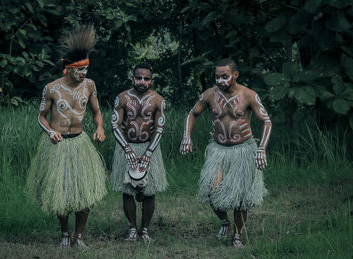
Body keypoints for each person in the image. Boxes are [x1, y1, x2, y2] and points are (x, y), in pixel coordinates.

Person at [27, 26, 107, 248]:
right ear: (69, 68)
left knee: (84, 191)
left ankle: (79, 236)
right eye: (80, 71)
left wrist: (99, 128)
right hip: (58, 144)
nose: (84, 74)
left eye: (87, 70)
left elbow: (97, 112)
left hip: (80, 143)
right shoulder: (51, 88)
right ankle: (65, 234)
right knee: (60, 192)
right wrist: (51, 131)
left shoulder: (89, 86)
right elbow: (41, 116)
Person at [179, 58, 272, 248]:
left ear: (235, 75)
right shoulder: (210, 94)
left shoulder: (249, 95)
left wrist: (261, 148)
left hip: (243, 150)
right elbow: (192, 114)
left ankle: (237, 234)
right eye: (217, 77)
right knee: (211, 189)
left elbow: (267, 121)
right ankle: (224, 222)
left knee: (240, 198)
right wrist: (186, 137)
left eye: (224, 76)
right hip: (218, 150)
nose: (220, 81)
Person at [111, 62, 167, 242]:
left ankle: (144, 230)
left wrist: (149, 153)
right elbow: (115, 125)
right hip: (127, 146)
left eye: (146, 78)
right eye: (138, 78)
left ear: (151, 80)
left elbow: (159, 129)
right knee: (127, 191)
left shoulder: (158, 100)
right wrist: (127, 149)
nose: (142, 81)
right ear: (132, 78)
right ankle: (132, 229)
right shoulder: (122, 98)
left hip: (149, 147)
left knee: (150, 191)